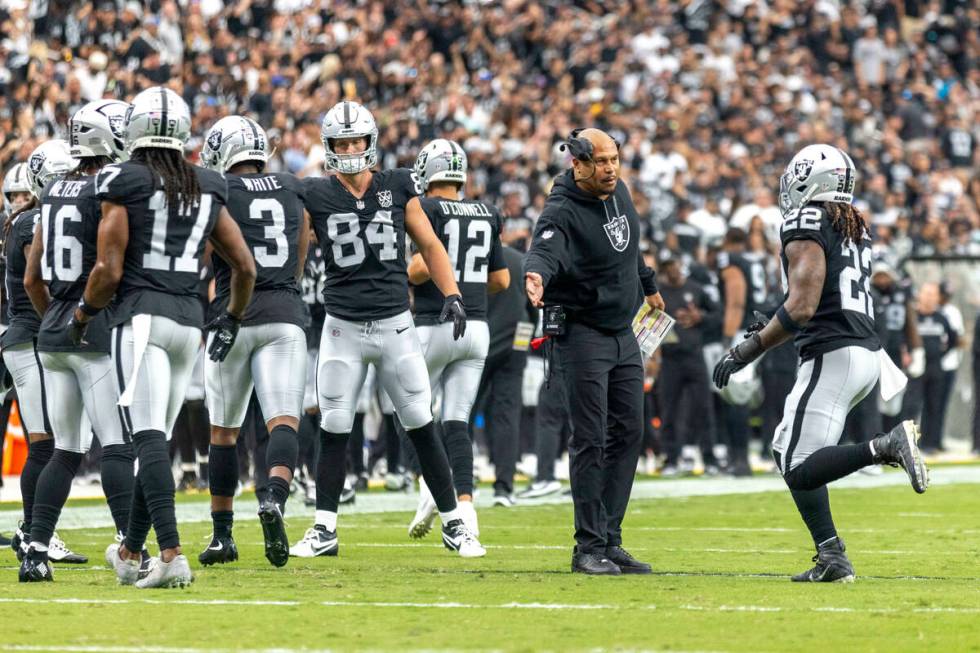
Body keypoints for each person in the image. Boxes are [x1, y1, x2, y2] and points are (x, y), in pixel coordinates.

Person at [713, 144, 928, 583]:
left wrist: (746, 350)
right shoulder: (850, 222)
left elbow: (804, 305)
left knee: (796, 464)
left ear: (812, 180)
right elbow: (813, 294)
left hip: (833, 352)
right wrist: (773, 322)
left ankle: (884, 446)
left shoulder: (806, 218)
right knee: (784, 448)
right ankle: (831, 554)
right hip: (863, 352)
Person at [74, 87, 256, 588]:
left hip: (142, 319)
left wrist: (85, 312)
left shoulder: (123, 179)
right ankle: (132, 552)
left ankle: (171, 553)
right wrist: (234, 316)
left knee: (148, 438)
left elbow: (108, 270)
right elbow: (244, 266)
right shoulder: (206, 183)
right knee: (157, 436)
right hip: (188, 323)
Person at [290, 100, 484, 559]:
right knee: (334, 424)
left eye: (357, 140)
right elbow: (298, 254)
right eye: (342, 141)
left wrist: (452, 293)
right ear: (330, 145)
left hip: (396, 322)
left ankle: (455, 523)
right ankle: (324, 528)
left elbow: (430, 244)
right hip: (342, 326)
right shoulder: (314, 194)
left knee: (420, 420)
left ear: (370, 141)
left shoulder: (397, 185)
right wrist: (289, 293)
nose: (351, 148)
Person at [524, 128, 662, 576]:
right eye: (600, 162)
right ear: (576, 164)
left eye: (614, 159)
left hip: (624, 333)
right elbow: (544, 249)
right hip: (582, 334)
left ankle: (611, 539)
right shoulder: (561, 210)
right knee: (590, 437)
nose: (610, 169)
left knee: (629, 432)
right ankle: (588, 546)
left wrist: (649, 285)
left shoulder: (617, 191)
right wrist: (536, 277)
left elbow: (628, 246)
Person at [19, 101, 135, 582]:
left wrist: (59, 321)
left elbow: (31, 279)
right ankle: (132, 548)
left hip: (52, 334)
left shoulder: (52, 194)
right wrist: (85, 317)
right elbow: (110, 269)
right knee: (115, 445)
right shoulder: (107, 190)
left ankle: (35, 549)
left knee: (65, 451)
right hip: (93, 327)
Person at [196, 115, 310, 568]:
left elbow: (205, 254)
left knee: (223, 432)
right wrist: (290, 284)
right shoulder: (290, 185)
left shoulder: (217, 189)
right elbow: (302, 239)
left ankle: (223, 534)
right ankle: (276, 500)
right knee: (283, 421)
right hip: (284, 313)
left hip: (232, 314)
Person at [405, 138, 509, 538]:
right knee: (457, 421)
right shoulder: (487, 211)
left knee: (410, 410)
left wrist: (447, 279)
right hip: (477, 328)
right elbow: (501, 280)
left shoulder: (428, 207)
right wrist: (467, 283)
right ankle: (465, 509)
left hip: (434, 322)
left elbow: (416, 270)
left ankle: (431, 484)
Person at [3, 140, 86, 565]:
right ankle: (34, 531)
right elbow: (44, 281)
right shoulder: (30, 222)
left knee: (51, 443)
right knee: (45, 444)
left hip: (33, 337)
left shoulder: (39, 217)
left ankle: (33, 530)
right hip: (29, 337)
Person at [656, 257, 719, 472]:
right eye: (668, 266)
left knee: (703, 407)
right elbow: (646, 321)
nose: (672, 269)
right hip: (670, 358)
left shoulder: (696, 289)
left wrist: (699, 316)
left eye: (674, 264)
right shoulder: (658, 291)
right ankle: (671, 459)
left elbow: (717, 314)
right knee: (669, 410)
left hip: (694, 355)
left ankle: (709, 459)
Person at [715, 228, 766, 475]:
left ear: (727, 241)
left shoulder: (730, 260)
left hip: (742, 332)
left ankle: (741, 459)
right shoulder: (754, 261)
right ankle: (738, 457)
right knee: (736, 394)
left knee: (736, 396)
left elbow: (736, 298)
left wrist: (728, 335)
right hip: (758, 330)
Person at [912, 283, 958, 453]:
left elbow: (953, 339)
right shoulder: (913, 316)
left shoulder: (941, 318)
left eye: (933, 295)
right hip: (916, 369)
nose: (930, 298)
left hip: (935, 368)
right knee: (912, 406)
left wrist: (940, 354)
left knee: (934, 406)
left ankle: (930, 443)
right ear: (920, 295)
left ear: (938, 298)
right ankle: (908, 443)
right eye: (927, 294)